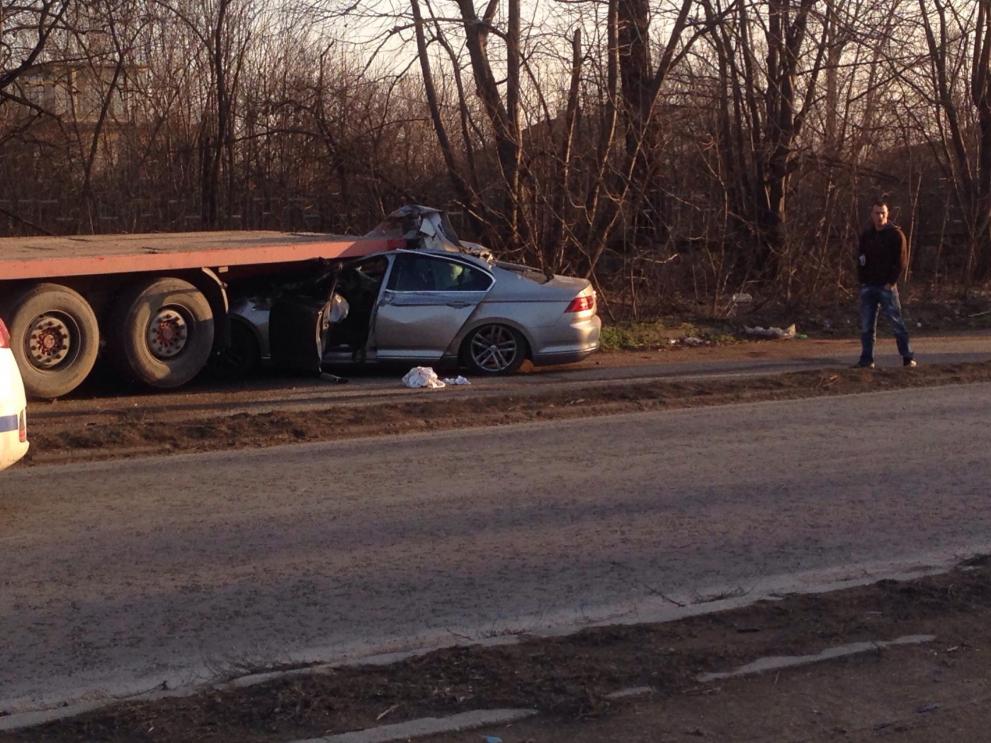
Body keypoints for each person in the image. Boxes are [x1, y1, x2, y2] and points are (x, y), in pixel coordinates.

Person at [855, 200, 916, 368]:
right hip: (869, 286)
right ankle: (867, 359)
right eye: (877, 213)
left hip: (886, 286)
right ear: (871, 215)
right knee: (867, 326)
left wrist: (891, 282)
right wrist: (862, 280)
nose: (880, 216)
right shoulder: (867, 235)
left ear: (887, 214)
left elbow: (901, 261)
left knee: (896, 323)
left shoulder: (895, 235)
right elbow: (860, 258)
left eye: (883, 213)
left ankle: (907, 357)